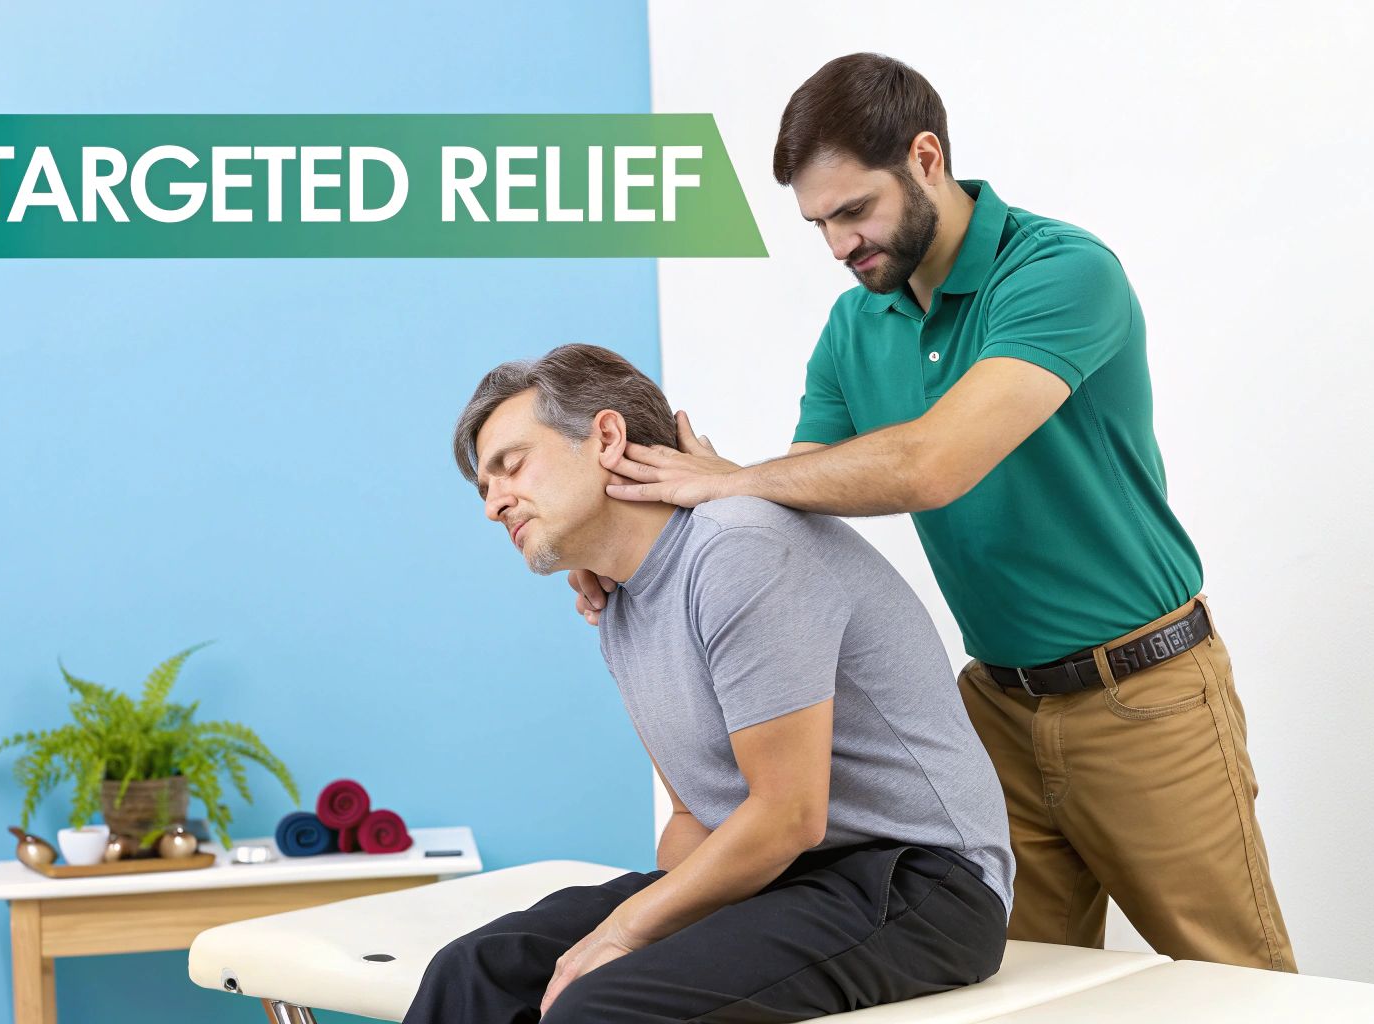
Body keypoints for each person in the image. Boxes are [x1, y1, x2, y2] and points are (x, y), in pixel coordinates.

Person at [573, 53, 1298, 971]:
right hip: (990, 712)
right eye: (819, 224)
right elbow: (792, 506)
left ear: (926, 158)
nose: (840, 245)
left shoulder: (1060, 273)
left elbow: (933, 463)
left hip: (1143, 696)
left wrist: (731, 480)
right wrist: (632, 549)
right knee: (1004, 987)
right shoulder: (855, 326)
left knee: (1240, 986)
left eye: (854, 210)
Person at [404, 344, 1013, 1024]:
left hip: (922, 884)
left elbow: (788, 813)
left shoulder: (739, 548)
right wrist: (665, 933)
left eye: (511, 466)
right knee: (477, 971)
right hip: (780, 879)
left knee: (598, 1004)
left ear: (606, 437)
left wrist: (626, 933)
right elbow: (694, 816)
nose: (494, 506)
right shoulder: (619, 605)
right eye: (484, 488)